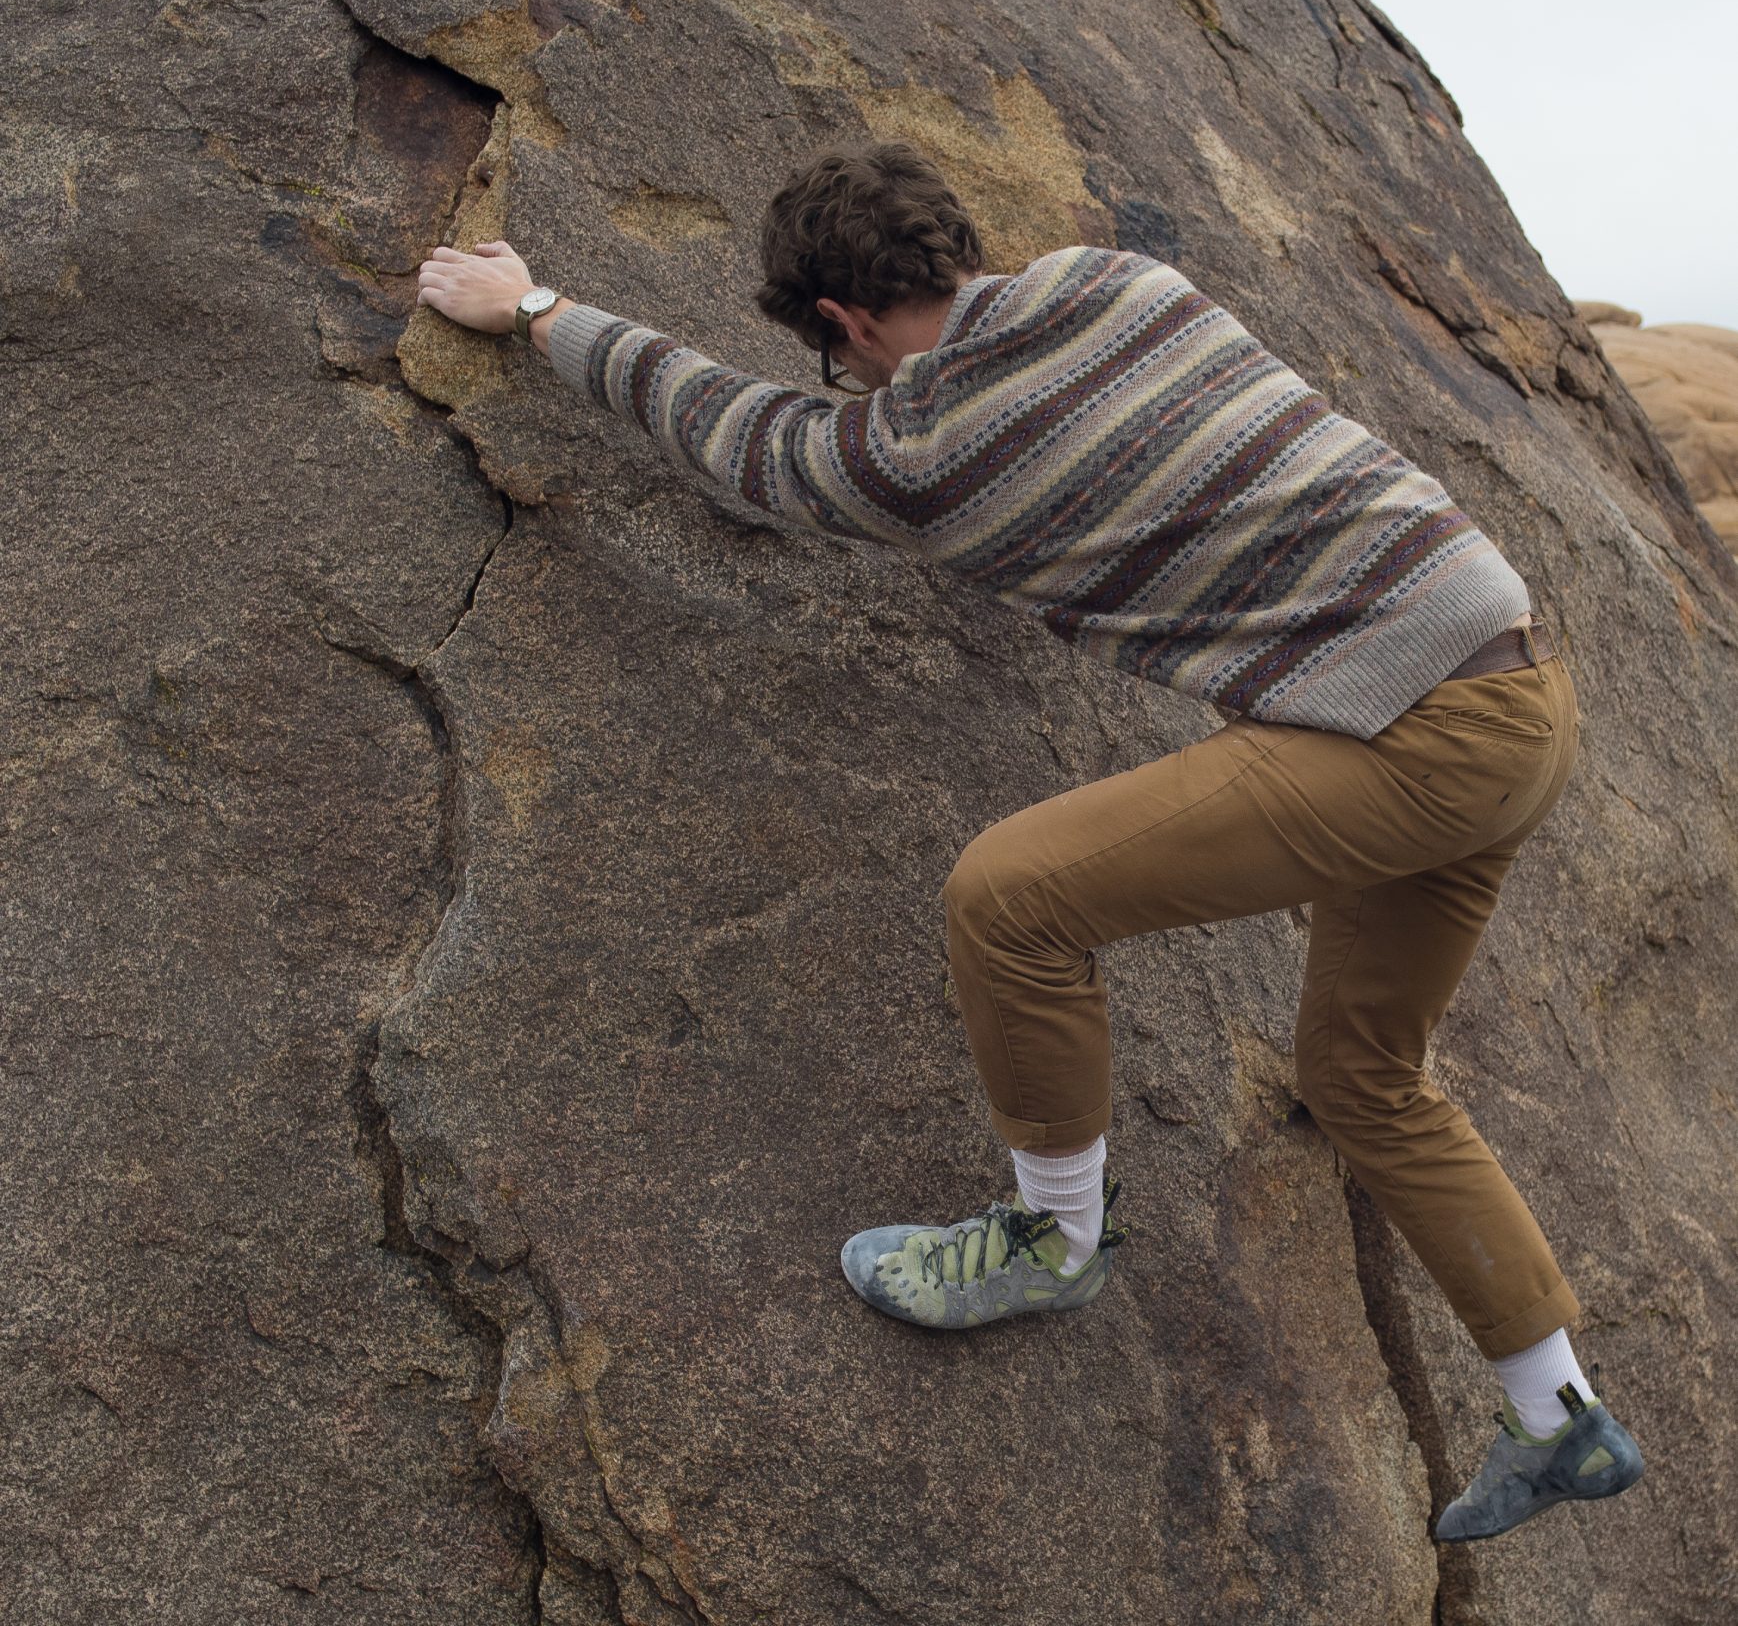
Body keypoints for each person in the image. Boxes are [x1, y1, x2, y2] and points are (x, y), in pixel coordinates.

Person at [415, 138, 1643, 1544]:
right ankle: (1559, 1417)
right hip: (1517, 693)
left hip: (1405, 736)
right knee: (1363, 1076)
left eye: (839, 360)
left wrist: (539, 311)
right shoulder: (1124, 286)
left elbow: (741, 442)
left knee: (1008, 901)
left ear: (842, 323)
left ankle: (1050, 1240)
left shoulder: (916, 452)